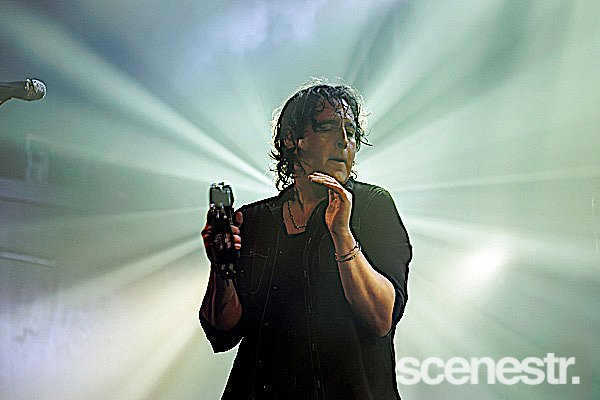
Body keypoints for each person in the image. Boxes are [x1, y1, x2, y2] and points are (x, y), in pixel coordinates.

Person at [200, 80, 412, 400]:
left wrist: (341, 233)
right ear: (291, 140)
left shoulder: (372, 206)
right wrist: (221, 267)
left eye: (351, 133)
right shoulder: (254, 220)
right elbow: (223, 330)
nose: (344, 141)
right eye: (328, 127)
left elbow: (381, 317)